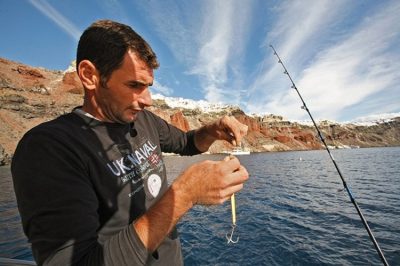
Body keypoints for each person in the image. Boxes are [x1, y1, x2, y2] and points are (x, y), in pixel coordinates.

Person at [11, 20, 249, 265]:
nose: (147, 100)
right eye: (134, 85)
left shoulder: (144, 120)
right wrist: (184, 194)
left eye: (148, 86)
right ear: (90, 76)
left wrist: (213, 130)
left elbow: (187, 143)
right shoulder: (48, 149)